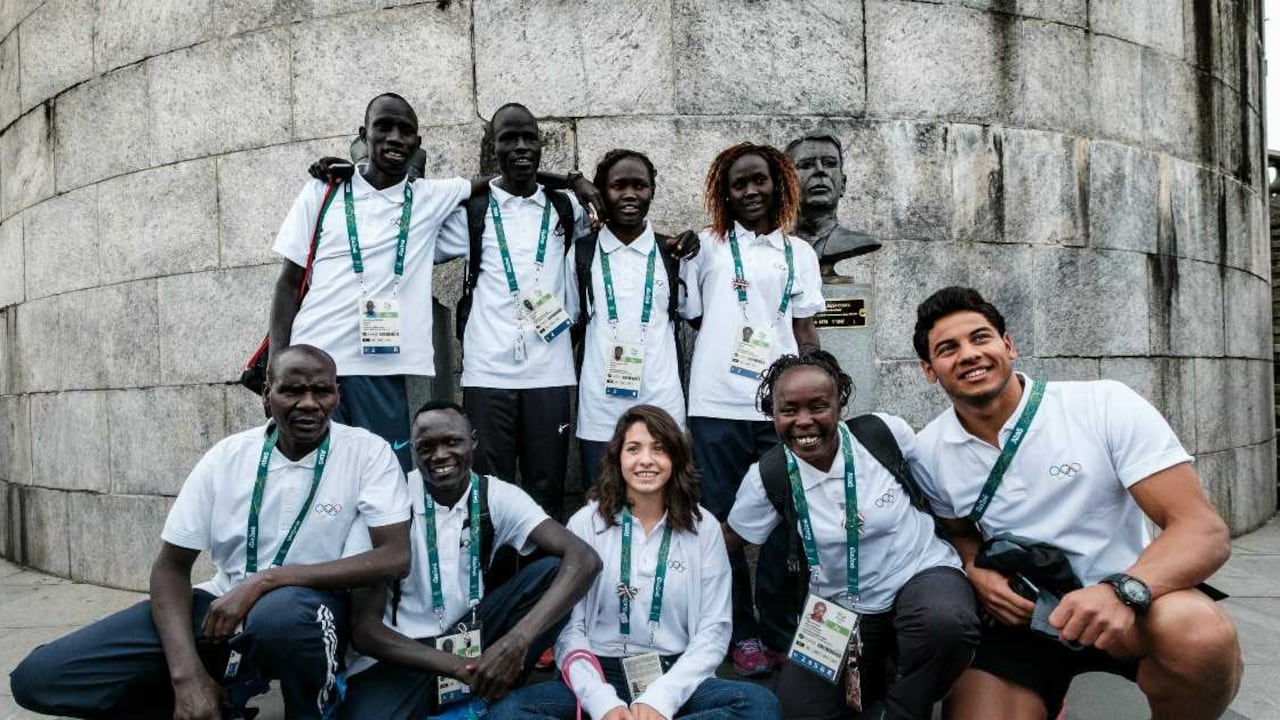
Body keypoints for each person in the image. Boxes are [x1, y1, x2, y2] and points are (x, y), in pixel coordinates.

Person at [11, 345, 413, 720]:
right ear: (267, 395)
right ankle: (209, 700)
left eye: (321, 391)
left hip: (311, 611)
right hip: (224, 605)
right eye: (292, 391)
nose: (309, 403)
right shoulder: (228, 456)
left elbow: (394, 557)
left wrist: (268, 580)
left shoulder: (367, 452)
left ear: (337, 395)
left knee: (281, 617)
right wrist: (186, 676)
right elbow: (170, 568)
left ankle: (311, 709)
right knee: (39, 678)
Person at [910, 286, 1243, 720]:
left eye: (980, 337)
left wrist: (1122, 590)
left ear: (1009, 346)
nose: (969, 354)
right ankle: (1045, 694)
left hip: (1131, 602)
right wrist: (974, 569)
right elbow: (958, 533)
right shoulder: (928, 451)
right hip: (1025, 617)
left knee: (1202, 636)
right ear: (929, 370)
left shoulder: (1102, 404)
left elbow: (1202, 530)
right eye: (948, 348)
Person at [725, 350, 979, 719]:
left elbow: (942, 492)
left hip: (919, 573)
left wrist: (974, 555)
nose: (804, 421)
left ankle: (903, 709)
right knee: (798, 708)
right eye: (788, 410)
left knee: (946, 623)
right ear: (773, 413)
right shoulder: (769, 475)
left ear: (839, 404)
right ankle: (875, 678)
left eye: (818, 406)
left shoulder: (882, 434)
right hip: (837, 604)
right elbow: (730, 539)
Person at [487, 405, 781, 720]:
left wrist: (660, 700)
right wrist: (603, 704)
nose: (646, 460)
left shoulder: (703, 526)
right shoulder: (586, 523)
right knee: (509, 712)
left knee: (760, 706)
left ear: (676, 457)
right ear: (617, 458)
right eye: (633, 449)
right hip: (598, 670)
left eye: (659, 449)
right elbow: (569, 631)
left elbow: (714, 630)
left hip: (675, 674)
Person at [337, 400, 603, 719]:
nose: (440, 455)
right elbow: (366, 632)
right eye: (426, 447)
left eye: (452, 442)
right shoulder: (388, 503)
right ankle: (481, 690)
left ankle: (492, 682)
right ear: (413, 450)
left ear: (473, 440)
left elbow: (585, 559)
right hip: (404, 655)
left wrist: (517, 640)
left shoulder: (495, 495)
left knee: (553, 572)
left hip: (473, 639)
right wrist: (458, 667)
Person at [680, 142, 825, 676]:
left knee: (788, 521)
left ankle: (781, 629)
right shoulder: (706, 248)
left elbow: (804, 330)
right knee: (721, 524)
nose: (749, 191)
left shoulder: (799, 253)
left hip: (778, 410)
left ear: (778, 184)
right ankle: (739, 631)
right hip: (716, 404)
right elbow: (697, 317)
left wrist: (818, 388)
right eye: (738, 184)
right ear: (724, 192)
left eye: (758, 180)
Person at [271, 93, 475, 472]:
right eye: (384, 127)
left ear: (417, 143)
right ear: (364, 135)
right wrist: (276, 368)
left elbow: (502, 184)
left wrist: (575, 184)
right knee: (314, 478)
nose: (395, 137)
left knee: (383, 480)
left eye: (405, 131)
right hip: (315, 366)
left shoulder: (430, 197)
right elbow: (288, 283)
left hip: (386, 372)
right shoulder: (323, 190)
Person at [457, 103, 596, 520]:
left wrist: (571, 180)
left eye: (529, 139)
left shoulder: (565, 208)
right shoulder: (472, 211)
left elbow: (616, 208)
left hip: (549, 372)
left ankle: (544, 564)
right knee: (488, 490)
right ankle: (494, 563)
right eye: (508, 139)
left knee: (547, 488)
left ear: (540, 145)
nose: (520, 147)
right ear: (492, 148)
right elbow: (414, 207)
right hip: (487, 371)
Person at [572, 149, 688, 484]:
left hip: (662, 403)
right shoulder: (582, 251)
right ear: (601, 192)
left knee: (665, 500)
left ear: (652, 191)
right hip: (599, 409)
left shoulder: (672, 253)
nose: (629, 194)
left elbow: (690, 312)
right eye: (618, 186)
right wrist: (572, 180)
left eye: (639, 186)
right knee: (602, 501)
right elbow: (573, 319)